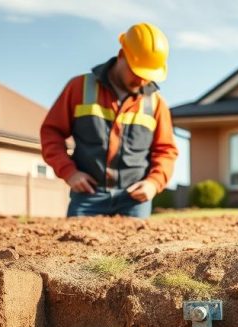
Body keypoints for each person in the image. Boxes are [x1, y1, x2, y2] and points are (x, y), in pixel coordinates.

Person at [41, 22, 178, 218]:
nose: (141, 81)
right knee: (73, 247)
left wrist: (154, 183)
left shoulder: (156, 103)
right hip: (88, 196)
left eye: (147, 76)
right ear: (122, 56)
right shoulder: (79, 88)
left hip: (134, 199)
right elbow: (51, 133)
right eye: (137, 72)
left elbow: (166, 151)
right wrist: (69, 172)